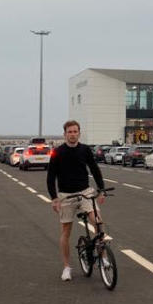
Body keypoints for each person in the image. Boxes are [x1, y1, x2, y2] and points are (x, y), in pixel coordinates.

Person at [47, 120, 106, 281]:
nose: (72, 134)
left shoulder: (85, 150)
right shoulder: (58, 152)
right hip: (66, 195)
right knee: (66, 231)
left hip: (85, 192)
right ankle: (67, 267)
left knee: (98, 222)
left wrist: (101, 190)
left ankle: (104, 258)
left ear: (79, 133)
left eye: (75, 131)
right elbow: (51, 177)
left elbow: (94, 169)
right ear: (65, 134)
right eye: (69, 132)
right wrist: (54, 199)